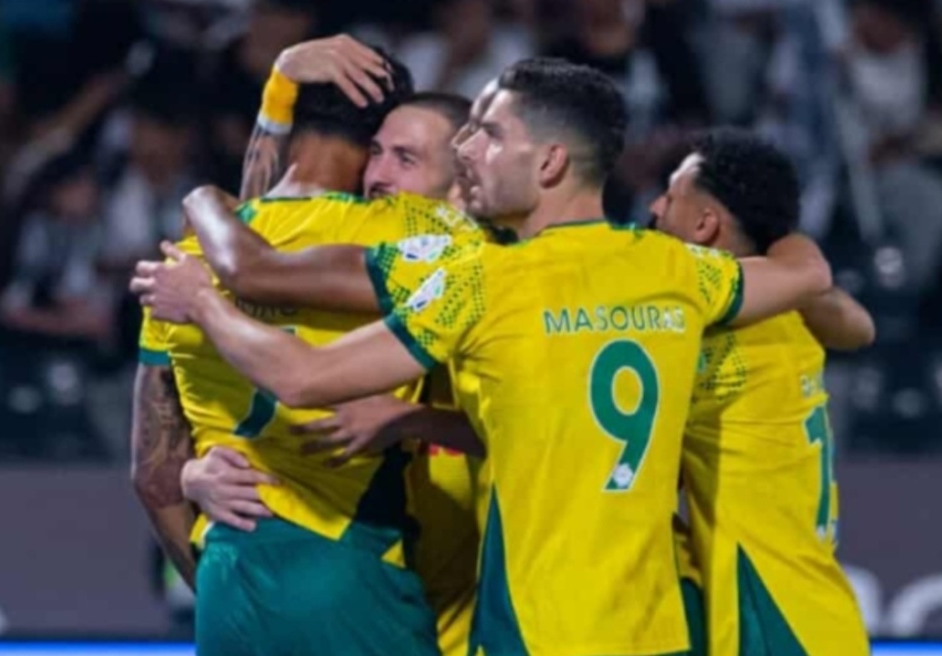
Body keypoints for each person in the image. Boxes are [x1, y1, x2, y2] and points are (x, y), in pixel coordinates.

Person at [133, 57, 833, 654]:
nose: (469, 148)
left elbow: (296, 363)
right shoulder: (673, 270)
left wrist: (203, 295)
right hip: (652, 627)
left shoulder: (472, 279)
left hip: (531, 624)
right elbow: (808, 275)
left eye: (489, 135)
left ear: (550, 162)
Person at [130, 39, 470, 655]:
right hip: (352, 570)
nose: (386, 174)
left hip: (230, 580)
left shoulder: (185, 265)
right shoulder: (413, 233)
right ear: (373, 139)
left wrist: (214, 584)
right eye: (385, 151)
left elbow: (153, 477)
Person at [652, 129, 872, 655]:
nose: (655, 208)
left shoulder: (706, 326)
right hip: (816, 615)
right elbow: (860, 327)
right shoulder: (795, 310)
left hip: (770, 621)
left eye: (671, 196)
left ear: (705, 225)